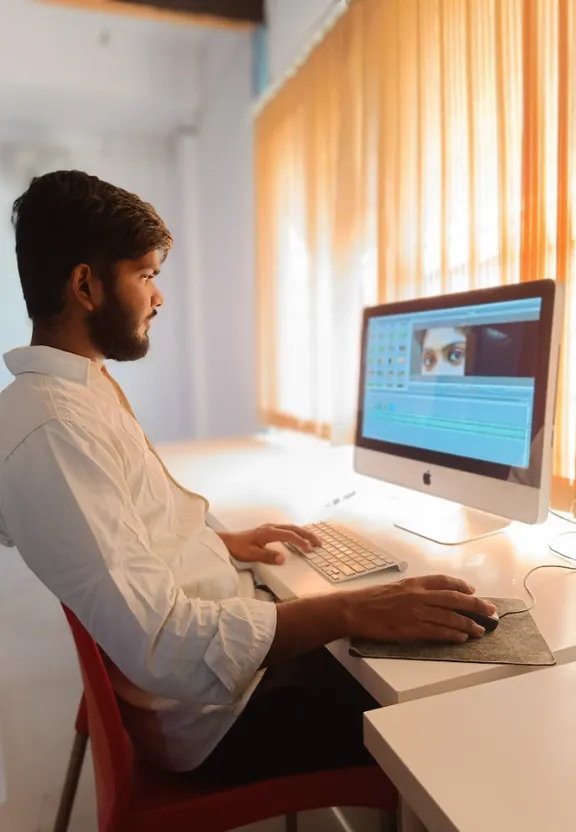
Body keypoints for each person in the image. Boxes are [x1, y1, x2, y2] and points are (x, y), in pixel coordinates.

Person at [0, 171, 495, 784]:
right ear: (85, 285)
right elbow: (165, 644)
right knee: (448, 708)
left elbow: (126, 528)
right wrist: (348, 611)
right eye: (147, 275)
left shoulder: (77, 390)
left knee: (408, 641)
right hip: (214, 717)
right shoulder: (55, 429)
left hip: (209, 681)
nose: (159, 299)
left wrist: (218, 542)